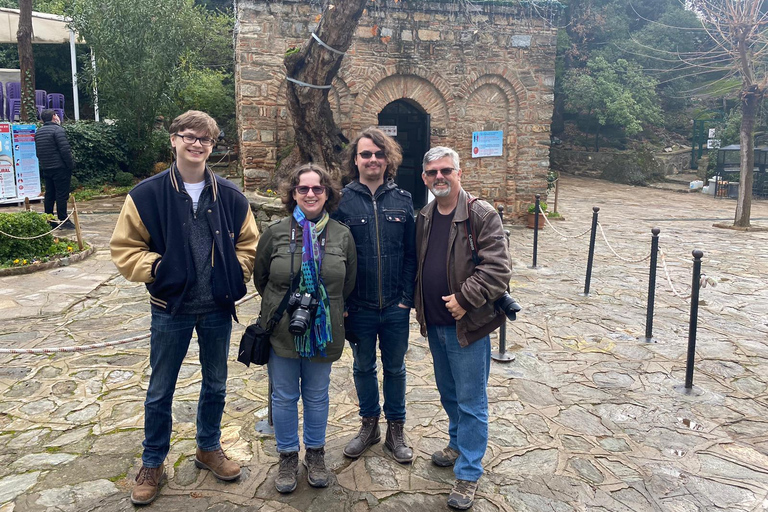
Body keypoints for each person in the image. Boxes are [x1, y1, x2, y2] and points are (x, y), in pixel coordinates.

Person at [110, 110, 259, 506]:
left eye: (205, 139)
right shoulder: (146, 195)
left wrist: (234, 271)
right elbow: (125, 248)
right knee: (160, 390)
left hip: (216, 309)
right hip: (169, 308)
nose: (197, 144)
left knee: (216, 384)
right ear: (173, 140)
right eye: (189, 136)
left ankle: (208, 447)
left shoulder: (230, 195)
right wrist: (158, 268)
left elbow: (250, 245)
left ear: (213, 146)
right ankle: (153, 462)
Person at [415, 146, 511, 510]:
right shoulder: (424, 215)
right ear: (425, 178)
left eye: (446, 171)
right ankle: (457, 444)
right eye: (432, 172)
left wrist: (466, 298)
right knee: (449, 393)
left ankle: (468, 472)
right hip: (436, 324)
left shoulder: (480, 214)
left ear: (459, 173)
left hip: (467, 324)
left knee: (472, 401)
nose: (439, 177)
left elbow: (498, 268)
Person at [254, 163, 356, 493]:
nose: (310, 194)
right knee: (283, 396)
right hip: (282, 330)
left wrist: (323, 308)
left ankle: (315, 453)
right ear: (293, 194)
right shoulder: (276, 233)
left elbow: (348, 282)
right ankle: (286, 455)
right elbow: (262, 278)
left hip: (322, 331)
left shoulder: (342, 234)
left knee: (316, 395)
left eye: (317, 189)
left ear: (328, 194)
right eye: (303, 189)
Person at [331, 127, 417, 464]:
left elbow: (411, 255)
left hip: (395, 305)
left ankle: (396, 429)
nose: (373, 159)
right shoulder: (341, 200)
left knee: (395, 369)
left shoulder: (403, 200)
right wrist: (343, 303)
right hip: (359, 306)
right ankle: (369, 426)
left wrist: (406, 298)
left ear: (388, 159)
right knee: (363, 368)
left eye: (379, 154)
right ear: (356, 159)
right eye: (366, 154)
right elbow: (334, 256)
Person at [35, 109, 75, 229]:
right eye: (56, 115)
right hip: (60, 168)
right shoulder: (58, 130)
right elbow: (65, 150)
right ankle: (63, 220)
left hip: (47, 168)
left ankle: (49, 219)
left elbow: (39, 152)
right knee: (61, 195)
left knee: (50, 194)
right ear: (53, 117)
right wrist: (71, 165)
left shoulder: (38, 132)